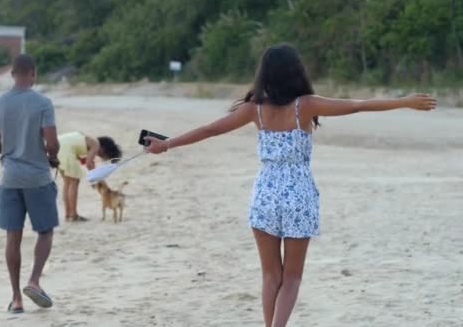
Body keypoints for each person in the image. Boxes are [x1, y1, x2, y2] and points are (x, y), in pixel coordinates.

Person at [144, 44, 436, 327]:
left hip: (266, 192)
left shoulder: (253, 109)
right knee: (292, 277)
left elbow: (210, 130)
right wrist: (404, 102)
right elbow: (356, 106)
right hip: (298, 192)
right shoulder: (305, 106)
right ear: (296, 72)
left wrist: (166, 144)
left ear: (265, 74)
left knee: (271, 276)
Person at [0, 54, 60, 313]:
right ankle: (35, 280)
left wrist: (15, 151)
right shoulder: (43, 103)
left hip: (9, 179)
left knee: (13, 237)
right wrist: (51, 157)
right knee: (45, 230)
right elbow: (51, 143)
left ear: (12, 74)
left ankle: (16, 298)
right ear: (32, 73)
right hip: (38, 177)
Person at [57, 131, 122, 221]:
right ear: (103, 148)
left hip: (58, 147)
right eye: (104, 155)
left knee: (68, 182)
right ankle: (73, 215)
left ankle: (68, 214)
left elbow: (84, 160)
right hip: (66, 150)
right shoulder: (96, 144)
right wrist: (97, 180)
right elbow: (89, 164)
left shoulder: (88, 140)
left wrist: (94, 178)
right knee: (74, 181)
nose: (101, 156)